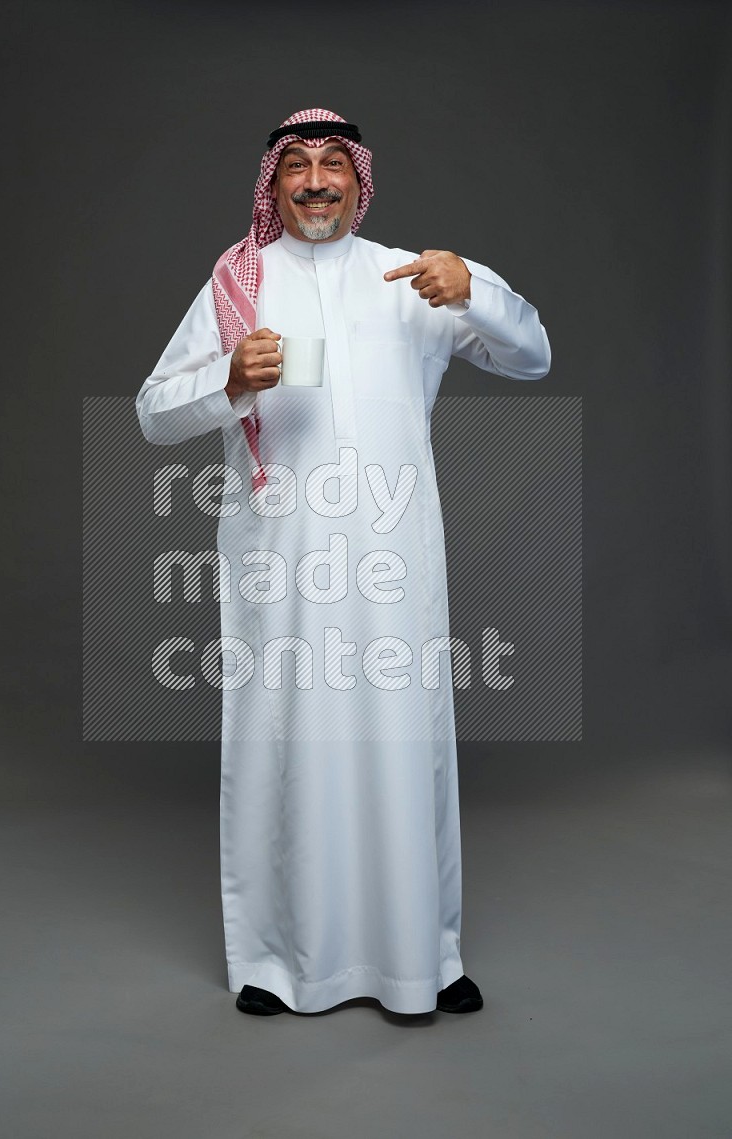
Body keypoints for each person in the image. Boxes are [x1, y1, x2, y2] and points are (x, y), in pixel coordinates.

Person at [136, 108, 550, 1018]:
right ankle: (280, 962)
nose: (317, 181)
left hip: (394, 564)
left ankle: (424, 959)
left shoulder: (413, 280)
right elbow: (153, 411)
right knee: (285, 744)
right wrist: (229, 379)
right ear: (273, 183)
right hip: (279, 566)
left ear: (360, 182)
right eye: (298, 166)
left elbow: (533, 357)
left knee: (404, 747)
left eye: (334, 165)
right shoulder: (236, 285)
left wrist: (475, 285)